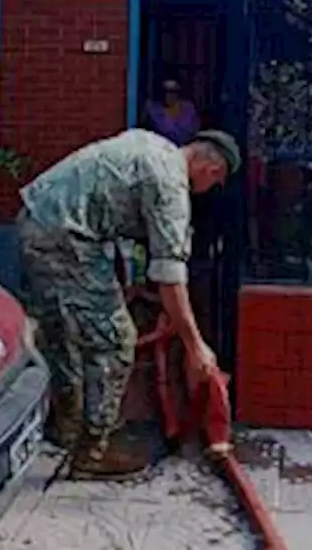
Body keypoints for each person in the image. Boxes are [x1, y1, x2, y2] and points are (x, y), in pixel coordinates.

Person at [17, 128, 241, 479]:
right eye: (216, 181)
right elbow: (170, 277)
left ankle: (67, 429)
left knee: (62, 332)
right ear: (212, 168)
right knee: (117, 340)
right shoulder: (171, 187)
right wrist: (195, 345)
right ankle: (93, 453)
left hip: (34, 218)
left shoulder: (149, 144)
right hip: (68, 239)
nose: (211, 188)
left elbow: (110, 212)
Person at [143, 78, 201, 146]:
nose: (168, 95)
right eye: (165, 91)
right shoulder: (152, 111)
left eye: (172, 91)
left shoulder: (190, 110)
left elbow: (196, 133)